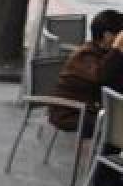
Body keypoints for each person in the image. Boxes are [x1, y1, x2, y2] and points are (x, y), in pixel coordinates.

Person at [48, 9, 123, 137]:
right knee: (116, 127)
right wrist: (117, 48)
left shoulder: (106, 54)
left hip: (93, 109)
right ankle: (104, 154)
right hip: (72, 113)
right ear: (108, 36)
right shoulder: (85, 54)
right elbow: (102, 77)